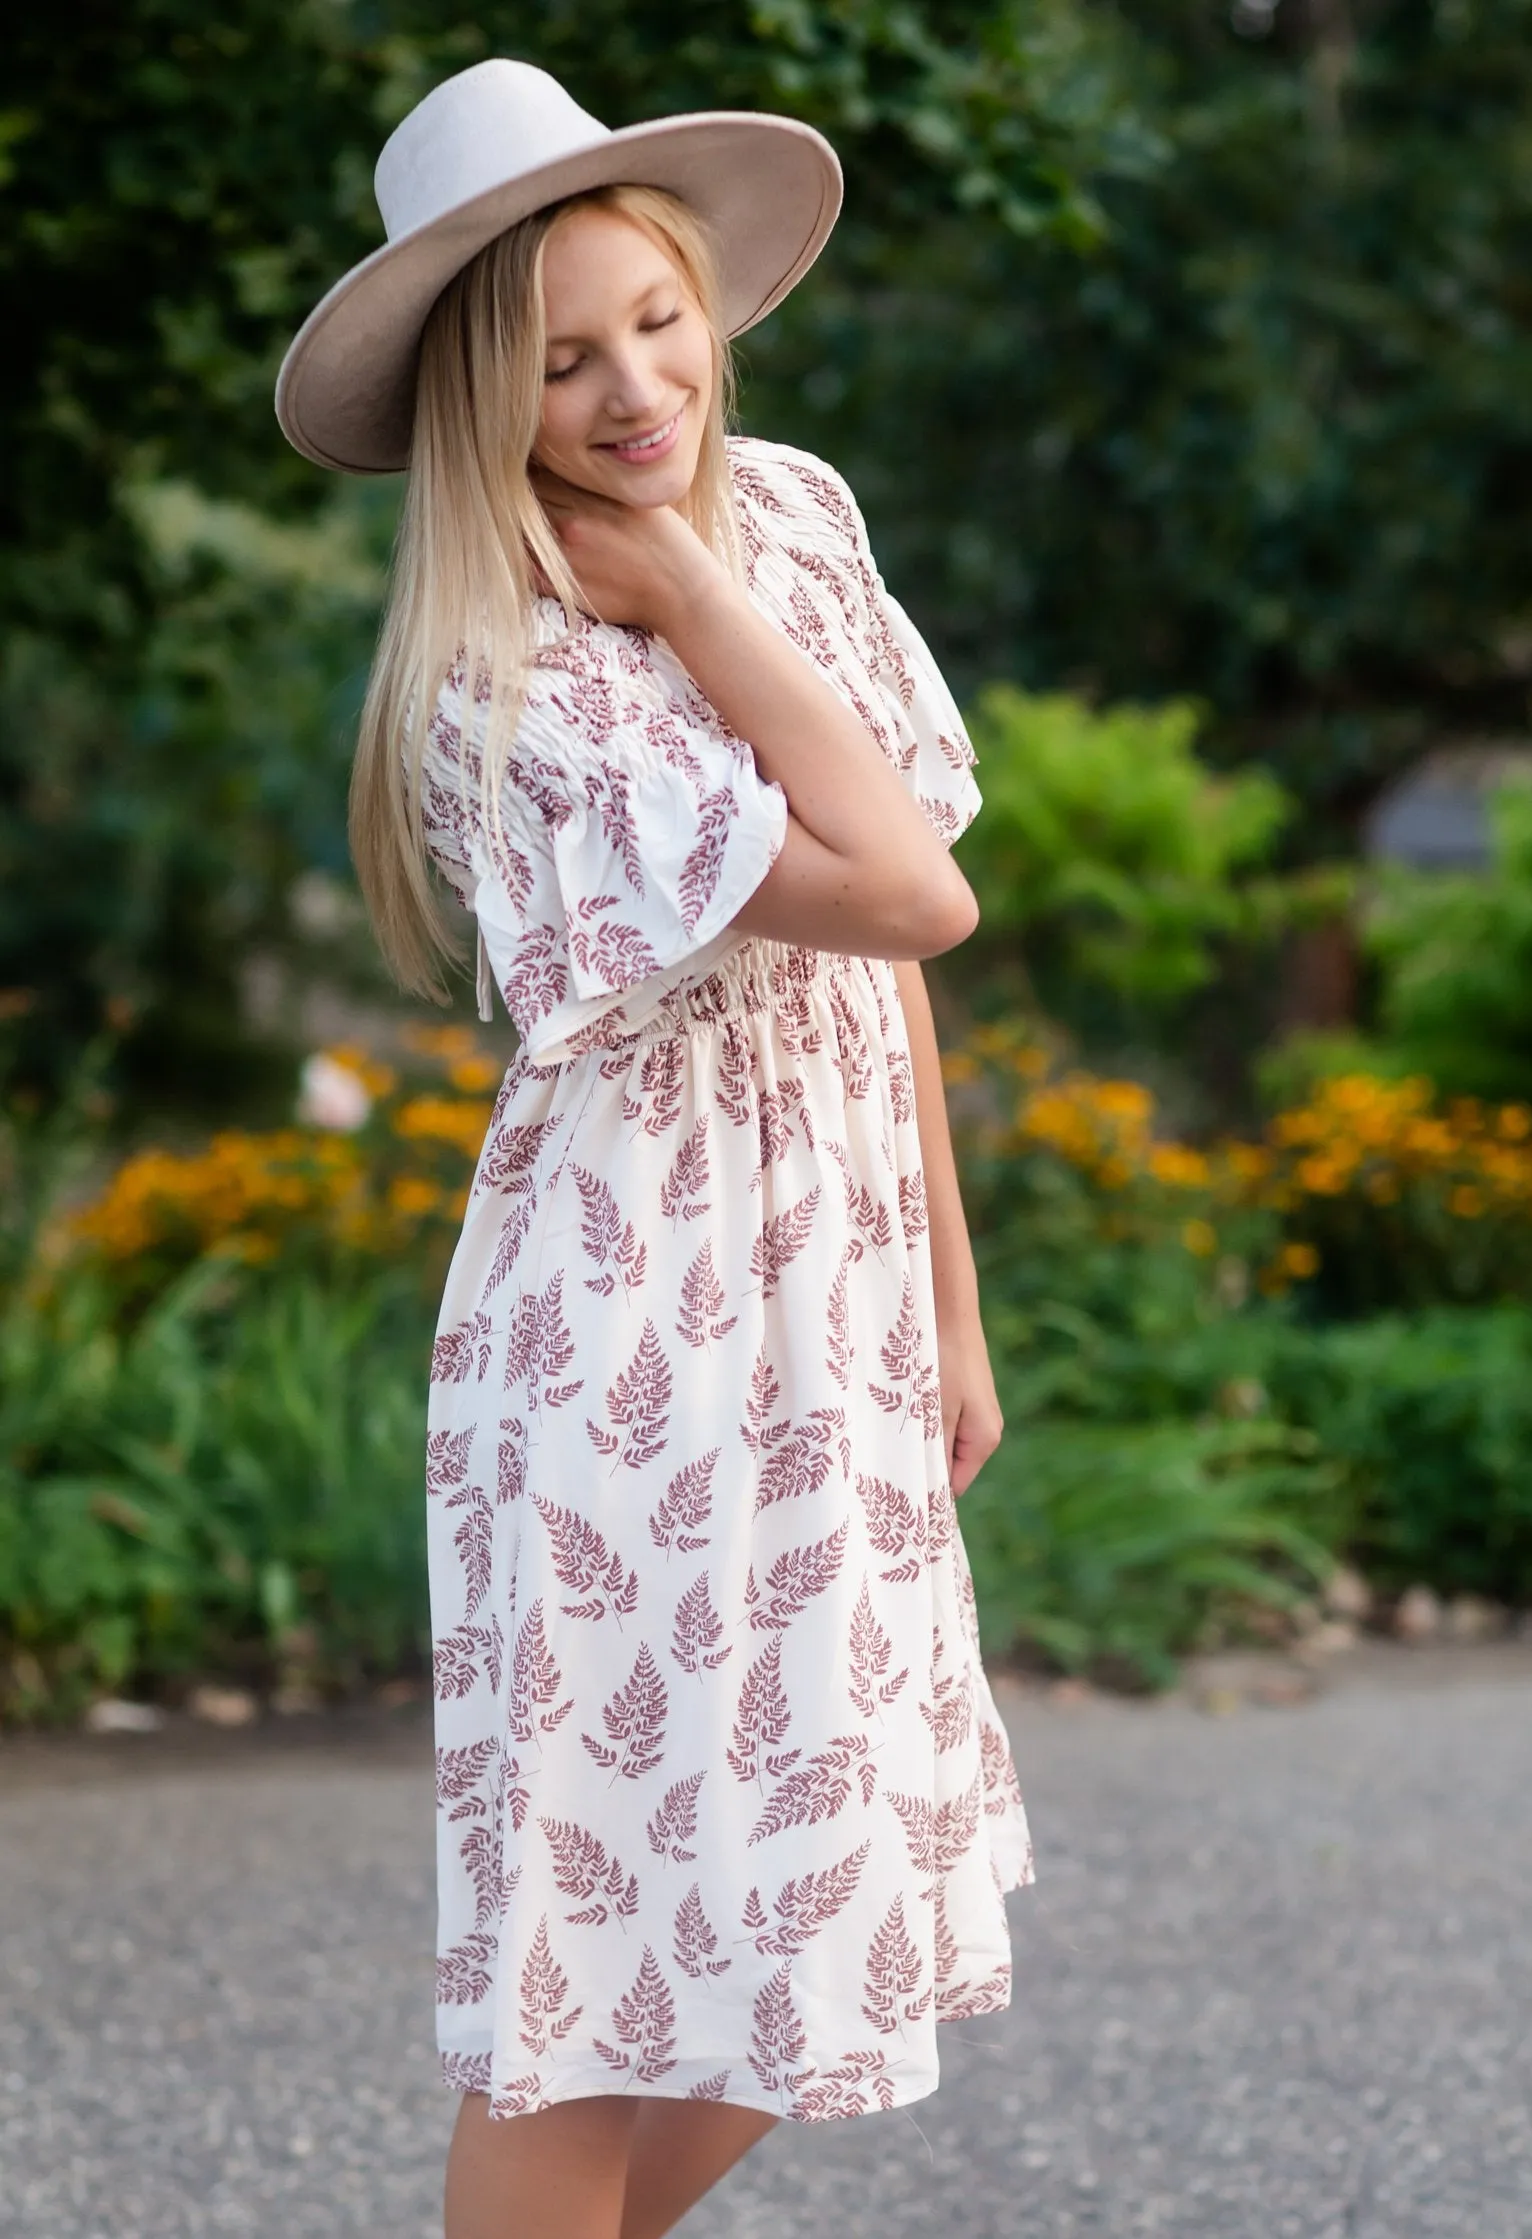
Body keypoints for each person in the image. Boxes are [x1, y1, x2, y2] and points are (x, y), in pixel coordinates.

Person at [276, 56, 1035, 2239]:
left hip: (834, 1294)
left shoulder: (786, 507)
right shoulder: (503, 675)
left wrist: (948, 1307)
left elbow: (890, 978)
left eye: (657, 322)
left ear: (709, 300)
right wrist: (693, 610)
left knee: (834, 1894)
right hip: (636, 1332)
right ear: (480, 404)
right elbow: (908, 884)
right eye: (561, 358)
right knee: (597, 1971)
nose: (634, 393)